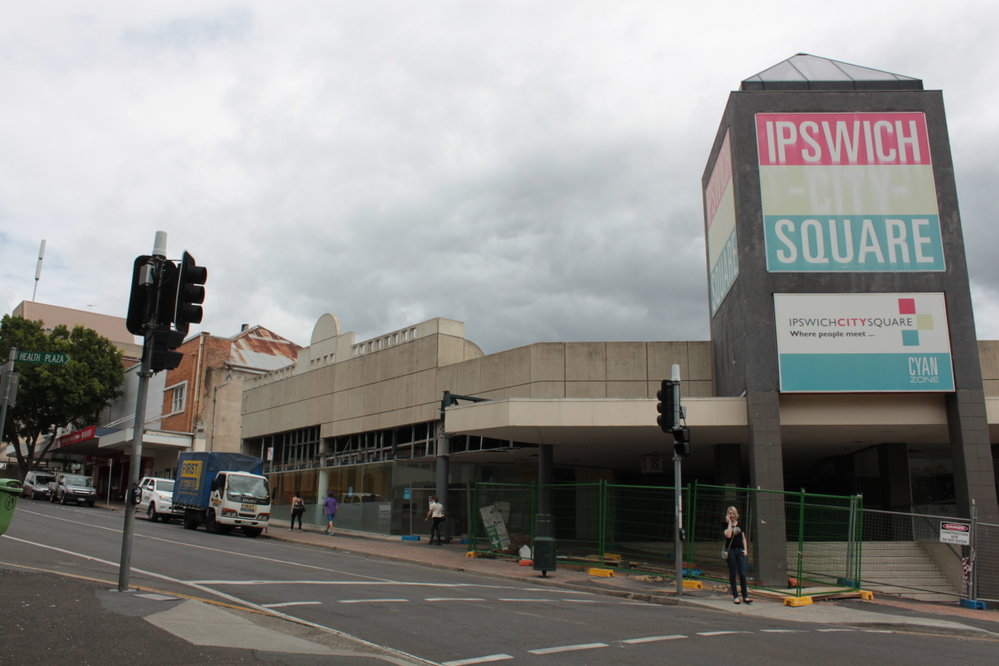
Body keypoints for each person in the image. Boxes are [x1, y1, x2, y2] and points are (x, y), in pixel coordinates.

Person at [724, 506, 752, 604]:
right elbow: (728, 535)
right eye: (729, 513)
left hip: (739, 550)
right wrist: (729, 523)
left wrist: (745, 549)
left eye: (733, 513)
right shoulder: (725, 524)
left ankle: (745, 596)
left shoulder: (741, 524)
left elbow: (743, 538)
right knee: (732, 573)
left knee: (742, 574)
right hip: (730, 550)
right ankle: (735, 596)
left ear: (736, 514)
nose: (731, 515)